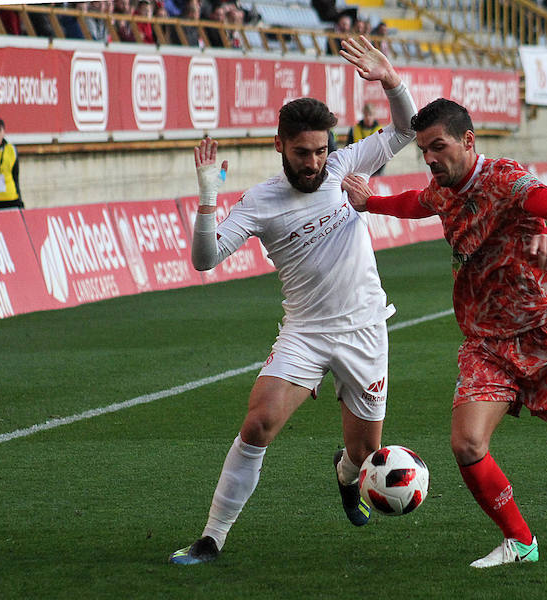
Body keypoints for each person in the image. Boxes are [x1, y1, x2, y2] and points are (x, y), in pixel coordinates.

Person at [341, 98, 547, 569]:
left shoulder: (505, 179)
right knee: (466, 443)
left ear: (468, 142)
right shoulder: (442, 186)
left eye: (439, 147)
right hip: (486, 343)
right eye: (424, 151)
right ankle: (520, 541)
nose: (430, 158)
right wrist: (369, 201)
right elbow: (417, 202)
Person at [168, 36, 417, 565]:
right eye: (303, 152)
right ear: (279, 145)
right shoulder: (261, 203)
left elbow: (404, 129)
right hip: (304, 333)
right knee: (257, 424)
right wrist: (208, 198)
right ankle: (212, 537)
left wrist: (392, 81)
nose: (315, 163)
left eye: (322, 150)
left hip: (364, 330)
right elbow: (205, 259)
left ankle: (345, 476)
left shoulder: (350, 163)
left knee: (364, 454)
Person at [346, 103, 385, 175]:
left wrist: (378, 173)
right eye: (366, 115)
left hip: (374, 170)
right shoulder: (354, 130)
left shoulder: (381, 131)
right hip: (356, 168)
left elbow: (383, 153)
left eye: (370, 115)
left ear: (374, 115)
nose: (368, 118)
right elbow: (347, 149)